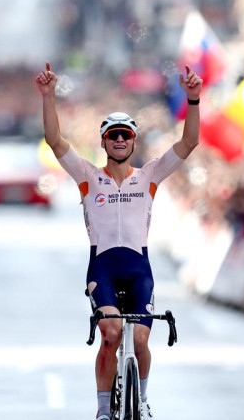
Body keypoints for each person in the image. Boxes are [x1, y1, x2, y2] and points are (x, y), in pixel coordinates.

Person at [36, 62, 202, 420]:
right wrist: (48, 96)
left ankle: (141, 400)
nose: (121, 140)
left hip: (139, 268)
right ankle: (102, 411)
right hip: (104, 269)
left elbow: (189, 143)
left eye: (126, 135)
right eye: (114, 135)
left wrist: (193, 99)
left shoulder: (150, 176)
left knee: (140, 340)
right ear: (104, 142)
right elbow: (54, 141)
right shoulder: (87, 177)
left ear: (134, 141)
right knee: (110, 334)